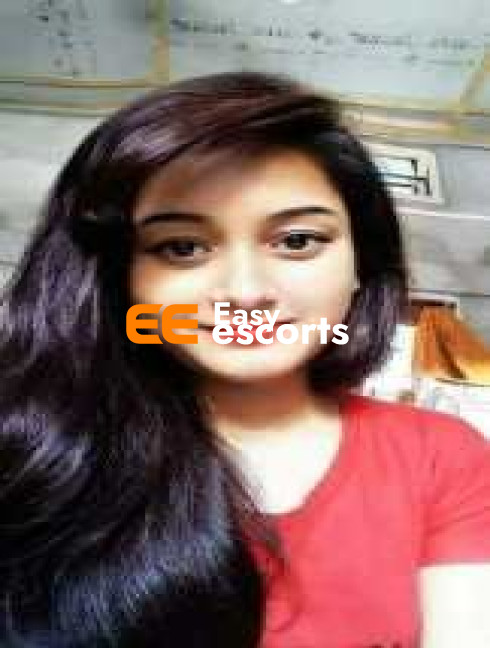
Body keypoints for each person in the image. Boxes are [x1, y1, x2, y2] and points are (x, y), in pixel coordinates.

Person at [1, 71, 490, 648]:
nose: (246, 292)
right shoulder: (38, 449)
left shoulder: (441, 454)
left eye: (297, 241)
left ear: (362, 264)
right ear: (121, 278)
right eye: (182, 248)